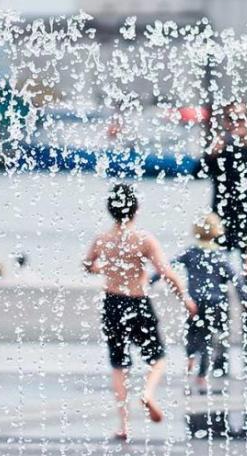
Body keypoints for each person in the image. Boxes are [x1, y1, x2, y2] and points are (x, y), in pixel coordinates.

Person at [83, 184, 197, 441]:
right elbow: (167, 273)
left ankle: (123, 426)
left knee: (118, 364)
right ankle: (147, 392)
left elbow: (87, 264)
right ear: (136, 210)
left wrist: (105, 269)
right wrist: (185, 298)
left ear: (110, 210)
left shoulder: (102, 238)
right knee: (158, 357)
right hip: (137, 302)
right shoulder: (144, 239)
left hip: (112, 304)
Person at [201, 102, 247, 378]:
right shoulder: (220, 148)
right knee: (219, 285)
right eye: (231, 119)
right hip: (220, 225)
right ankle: (221, 346)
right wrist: (213, 148)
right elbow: (200, 170)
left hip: (246, 225)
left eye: (240, 118)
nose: (236, 123)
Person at [156, 213, 236, 394]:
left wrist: (150, 281)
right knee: (207, 338)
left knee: (192, 334)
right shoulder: (219, 256)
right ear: (217, 231)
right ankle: (201, 375)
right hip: (216, 303)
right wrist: (246, 298)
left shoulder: (191, 253)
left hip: (195, 303)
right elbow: (235, 278)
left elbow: (166, 268)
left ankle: (190, 363)